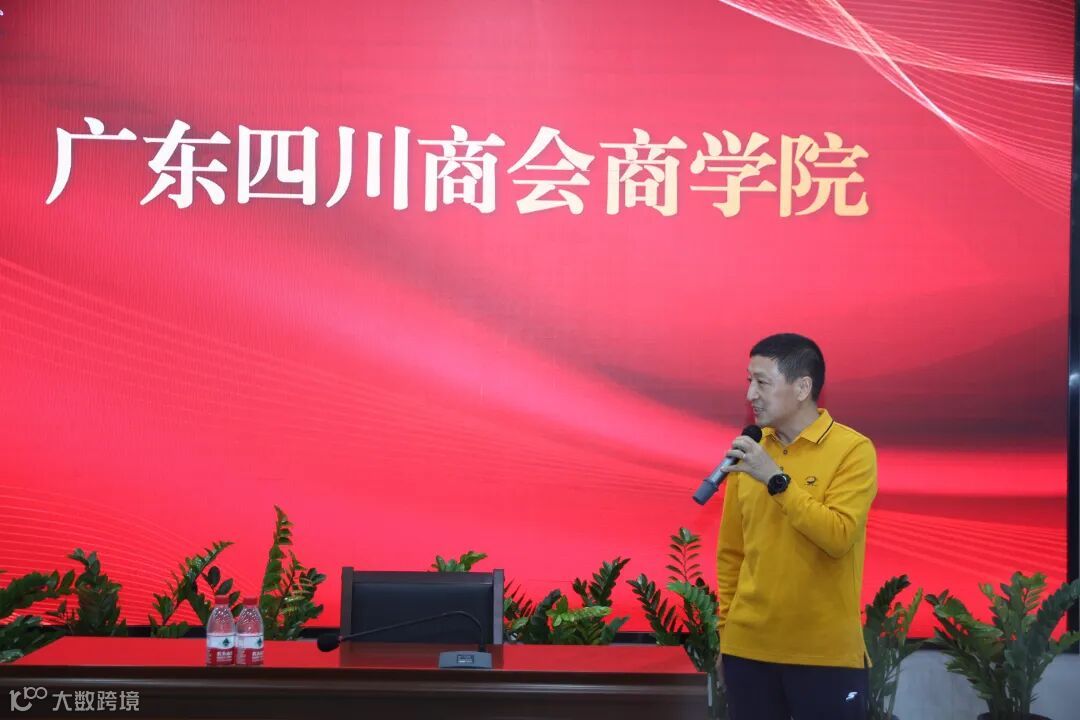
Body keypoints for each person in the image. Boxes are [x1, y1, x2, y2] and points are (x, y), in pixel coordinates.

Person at [715, 333, 877, 720]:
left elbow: (837, 536)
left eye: (762, 382)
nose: (751, 394)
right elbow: (732, 554)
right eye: (749, 381)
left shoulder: (853, 450)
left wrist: (776, 480)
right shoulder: (751, 452)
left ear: (802, 388)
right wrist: (726, 635)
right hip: (747, 652)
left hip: (825, 655)